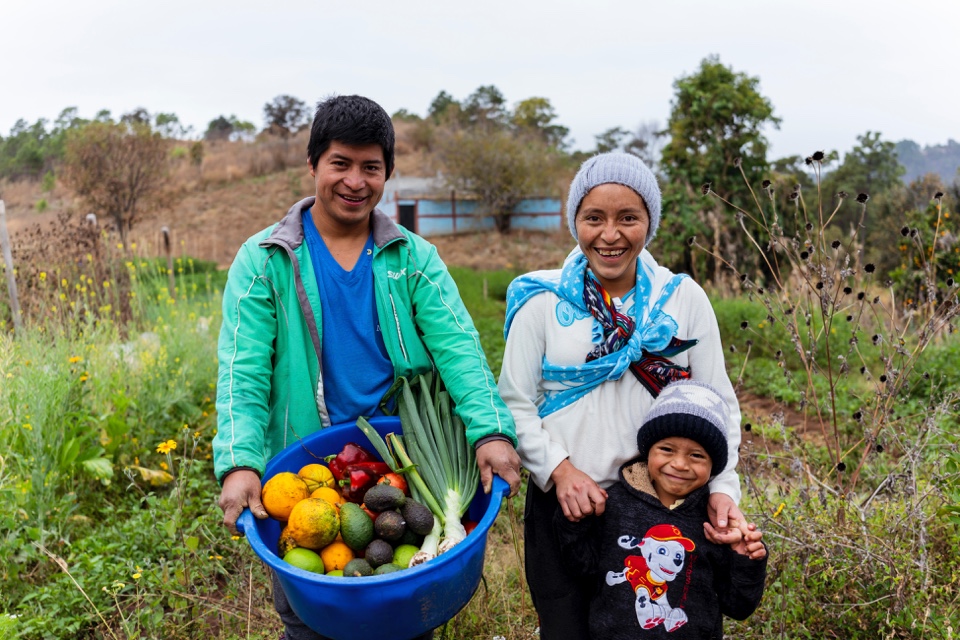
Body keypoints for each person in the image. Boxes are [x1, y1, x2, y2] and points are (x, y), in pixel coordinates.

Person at [212, 94, 522, 640]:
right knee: (310, 616)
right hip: (307, 473)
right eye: (341, 163)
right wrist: (239, 462)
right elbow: (243, 370)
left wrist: (490, 431)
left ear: (388, 174)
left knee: (403, 613)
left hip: (406, 468)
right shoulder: (265, 260)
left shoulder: (413, 259)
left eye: (371, 167)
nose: (355, 181)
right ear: (313, 165)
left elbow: (461, 351)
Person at [497, 151, 746, 639]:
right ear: (576, 223)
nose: (610, 235)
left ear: (648, 223)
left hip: (660, 509)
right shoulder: (542, 302)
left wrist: (722, 489)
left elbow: (719, 402)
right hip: (564, 504)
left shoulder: (682, 298)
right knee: (566, 627)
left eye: (627, 218)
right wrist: (560, 471)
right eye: (594, 218)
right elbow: (514, 403)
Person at [553, 380, 767, 639]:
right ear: (647, 451)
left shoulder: (716, 526)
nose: (679, 464)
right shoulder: (614, 504)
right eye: (667, 449)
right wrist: (575, 521)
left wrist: (745, 562)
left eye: (696, 456)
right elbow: (582, 568)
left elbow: (738, 606)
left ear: (714, 466)